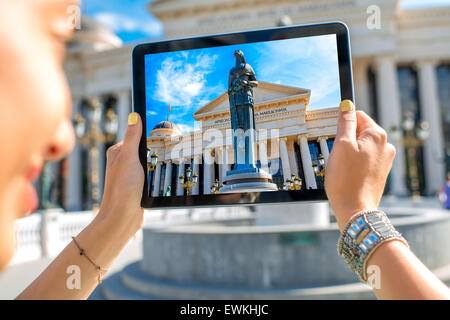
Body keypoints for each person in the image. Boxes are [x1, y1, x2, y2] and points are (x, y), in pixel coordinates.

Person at [0, 0, 448, 300]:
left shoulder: (247, 74)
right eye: (57, 36)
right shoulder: (232, 83)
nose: (64, 136)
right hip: (239, 113)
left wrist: (111, 226)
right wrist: (356, 211)